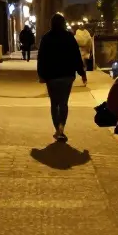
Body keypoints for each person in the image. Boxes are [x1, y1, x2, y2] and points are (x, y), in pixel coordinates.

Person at [36, 14, 87, 142]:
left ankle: (57, 130)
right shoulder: (69, 37)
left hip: (51, 76)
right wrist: (82, 73)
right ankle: (61, 127)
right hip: (67, 75)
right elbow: (76, 56)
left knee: (54, 103)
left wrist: (41, 74)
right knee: (64, 103)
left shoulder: (46, 38)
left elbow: (41, 58)